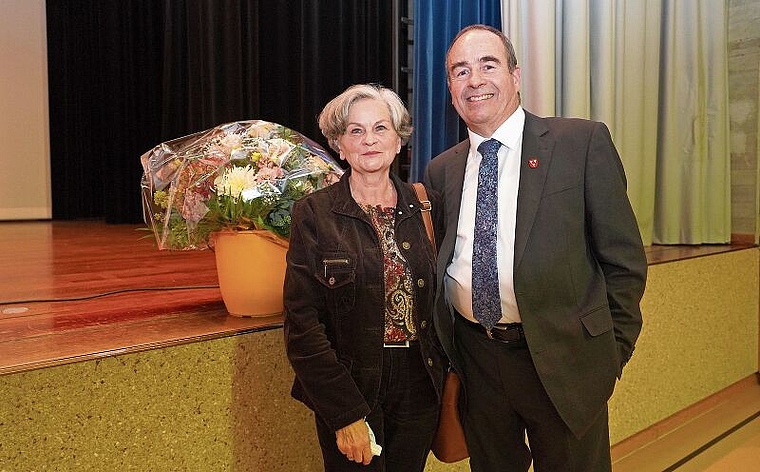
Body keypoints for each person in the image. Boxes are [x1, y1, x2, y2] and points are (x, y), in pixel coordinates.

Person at [424, 24, 647, 472]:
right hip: (478, 362)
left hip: (563, 363)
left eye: (488, 65)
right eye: (460, 71)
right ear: (450, 88)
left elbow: (624, 263)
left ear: (516, 75)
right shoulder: (441, 170)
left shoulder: (580, 143)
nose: (475, 80)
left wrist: (608, 356)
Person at [284, 83, 446, 471]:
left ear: (399, 140)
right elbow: (302, 325)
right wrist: (344, 414)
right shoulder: (314, 214)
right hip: (351, 385)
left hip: (420, 385)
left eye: (380, 128)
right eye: (356, 131)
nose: (369, 140)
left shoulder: (427, 207)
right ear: (340, 144)